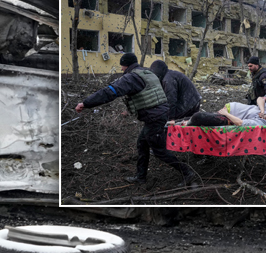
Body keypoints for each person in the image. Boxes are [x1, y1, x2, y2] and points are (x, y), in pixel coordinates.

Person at [74, 53, 197, 187]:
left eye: (122, 66)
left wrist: (86, 103)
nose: (121, 69)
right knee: (142, 143)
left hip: (154, 117)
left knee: (159, 150)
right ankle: (140, 177)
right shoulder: (146, 72)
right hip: (158, 115)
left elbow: (109, 92)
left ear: (126, 65)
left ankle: (187, 172)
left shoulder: (131, 77)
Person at [183, 102, 266, 127]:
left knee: (198, 116)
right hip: (226, 112)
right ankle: (181, 122)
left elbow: (239, 122)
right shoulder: (264, 113)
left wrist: (226, 113)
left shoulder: (260, 122)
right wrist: (262, 110)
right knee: (197, 116)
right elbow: (261, 98)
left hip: (226, 118)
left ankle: (185, 124)